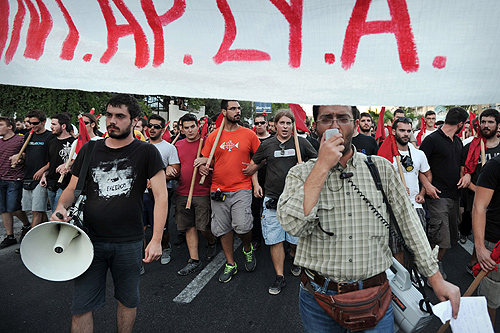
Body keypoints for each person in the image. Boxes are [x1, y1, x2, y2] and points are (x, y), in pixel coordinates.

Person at [277, 105, 460, 331]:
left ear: (355, 126)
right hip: (318, 298)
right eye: (326, 119)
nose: (335, 126)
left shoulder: (380, 168)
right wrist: (321, 167)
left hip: (376, 296)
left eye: (343, 118)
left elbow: (409, 224)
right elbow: (292, 225)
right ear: (316, 127)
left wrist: (435, 278)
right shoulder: (301, 173)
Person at [51, 94, 167, 332]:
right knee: (81, 306)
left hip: (130, 241)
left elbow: (161, 196)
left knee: (127, 301)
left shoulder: (147, 152)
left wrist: (156, 240)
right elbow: (72, 189)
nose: (112, 121)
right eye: (109, 115)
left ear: (134, 120)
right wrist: (60, 208)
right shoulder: (90, 149)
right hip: (87, 241)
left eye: (120, 116)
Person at [244, 110, 317, 295]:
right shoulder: (267, 145)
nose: (285, 126)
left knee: (294, 238)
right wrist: (255, 185)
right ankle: (279, 276)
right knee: (275, 238)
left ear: (293, 125)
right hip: (272, 198)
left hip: (295, 198)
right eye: (282, 123)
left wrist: (306, 167)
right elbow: (252, 166)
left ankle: (293, 255)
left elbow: (317, 162)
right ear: (274, 124)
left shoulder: (301, 143)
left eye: (289, 123)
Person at [194, 100, 261, 283]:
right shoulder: (213, 136)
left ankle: (247, 248)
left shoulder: (249, 134)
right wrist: (203, 167)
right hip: (218, 189)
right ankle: (230, 263)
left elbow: (260, 157)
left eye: (238, 108)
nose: (237, 111)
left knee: (243, 225)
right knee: (222, 229)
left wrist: (253, 169)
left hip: (242, 188)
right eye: (233, 108)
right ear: (224, 111)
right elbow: (207, 161)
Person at [420, 107, 470, 280]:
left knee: (448, 239)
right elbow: (419, 166)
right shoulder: (431, 140)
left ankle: (433, 264)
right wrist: (427, 185)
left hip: (454, 196)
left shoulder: (457, 142)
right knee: (441, 238)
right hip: (437, 197)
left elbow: (461, 166)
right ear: (461, 124)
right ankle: (431, 272)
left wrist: (465, 176)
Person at [174, 114, 217, 275]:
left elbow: (218, 161)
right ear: (182, 129)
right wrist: (171, 170)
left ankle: (212, 242)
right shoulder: (178, 145)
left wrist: (207, 162)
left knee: (204, 227)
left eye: (193, 126)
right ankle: (194, 260)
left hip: (202, 192)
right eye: (186, 127)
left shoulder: (208, 143)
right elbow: (175, 165)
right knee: (188, 226)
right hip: (183, 192)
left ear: (198, 126)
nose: (190, 130)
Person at [461, 109, 500, 273]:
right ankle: (475, 262)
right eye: (483, 122)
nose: (486, 125)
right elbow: (463, 174)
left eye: (490, 122)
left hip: (496, 202)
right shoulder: (471, 147)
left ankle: (475, 264)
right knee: (480, 233)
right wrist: (480, 190)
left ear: (498, 125)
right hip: (476, 198)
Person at [388, 117, 431, 264]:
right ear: (394, 131)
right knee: (396, 245)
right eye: (402, 130)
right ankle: (402, 275)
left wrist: (422, 193)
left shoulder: (419, 154)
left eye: (408, 131)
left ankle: (416, 272)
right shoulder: (385, 154)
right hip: (393, 207)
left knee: (418, 243)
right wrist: (396, 188)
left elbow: (428, 174)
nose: (406, 134)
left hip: (415, 205)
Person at [144, 114, 180, 266]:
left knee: (162, 229)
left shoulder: (169, 148)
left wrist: (160, 179)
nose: (152, 128)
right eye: (150, 125)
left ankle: (165, 247)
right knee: (141, 227)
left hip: (160, 195)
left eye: (156, 126)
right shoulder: (140, 146)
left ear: (163, 129)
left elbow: (176, 171)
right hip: (141, 195)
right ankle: (140, 256)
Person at [11, 109, 54, 229]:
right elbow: (25, 154)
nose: (32, 126)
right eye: (30, 123)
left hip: (41, 178)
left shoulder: (50, 137)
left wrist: (42, 170)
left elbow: (53, 160)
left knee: (37, 211)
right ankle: (48, 231)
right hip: (28, 176)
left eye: (35, 123)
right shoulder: (28, 136)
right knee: (38, 210)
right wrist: (19, 159)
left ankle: (29, 240)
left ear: (43, 122)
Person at [473, 153, 500, 326]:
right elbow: (479, 206)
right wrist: (480, 247)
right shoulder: (495, 165)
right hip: (495, 244)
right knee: (489, 299)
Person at [0, 117, 30, 248]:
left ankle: (26, 224)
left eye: (0, 125)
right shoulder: (0, 142)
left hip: (15, 178)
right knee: (3, 209)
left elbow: (29, 154)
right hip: (1, 178)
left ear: (9, 127)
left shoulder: (21, 139)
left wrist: (21, 157)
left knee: (13, 207)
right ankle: (10, 236)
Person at [251, 114, 272, 249]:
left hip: (271, 181)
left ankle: (273, 237)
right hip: (255, 181)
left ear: (266, 124)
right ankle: (256, 237)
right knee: (255, 210)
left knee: (272, 210)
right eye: (256, 123)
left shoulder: (274, 140)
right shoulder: (251, 139)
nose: (259, 125)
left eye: (261, 123)